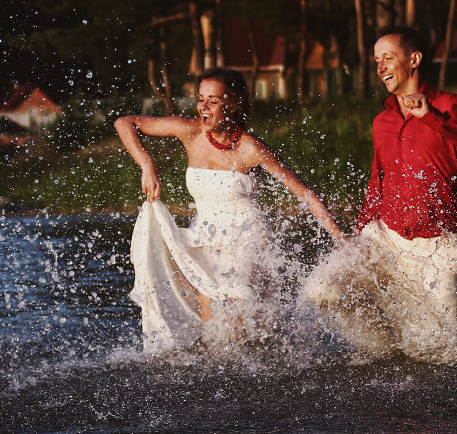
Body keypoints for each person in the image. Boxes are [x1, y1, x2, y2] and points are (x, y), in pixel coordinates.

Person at [116, 67, 345, 353]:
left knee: (237, 324)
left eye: (213, 100)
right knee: (214, 338)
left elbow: (304, 194)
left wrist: (341, 241)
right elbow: (125, 122)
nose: (203, 107)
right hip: (204, 238)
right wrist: (146, 163)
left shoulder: (250, 148)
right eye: (201, 99)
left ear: (233, 105)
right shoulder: (190, 132)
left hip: (248, 239)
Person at [304, 25, 457, 360]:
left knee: (443, 354)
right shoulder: (382, 121)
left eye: (388, 58)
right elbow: (377, 181)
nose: (379, 67)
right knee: (323, 289)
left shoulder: (450, 104)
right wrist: (356, 235)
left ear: (414, 59)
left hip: (433, 246)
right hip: (383, 237)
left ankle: (414, 352)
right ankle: (382, 350)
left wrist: (432, 117)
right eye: (376, 59)